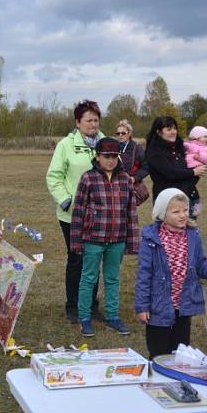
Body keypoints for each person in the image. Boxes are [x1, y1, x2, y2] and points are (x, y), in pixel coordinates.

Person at [134, 189, 207, 359]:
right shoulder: (151, 239)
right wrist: (142, 306)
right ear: (162, 214)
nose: (182, 215)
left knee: (180, 351)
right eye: (176, 211)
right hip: (158, 305)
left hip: (184, 305)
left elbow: (201, 264)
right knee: (158, 352)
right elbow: (144, 274)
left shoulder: (193, 235)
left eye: (185, 210)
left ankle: (177, 382)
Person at [70, 137, 140, 337]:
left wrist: (132, 241)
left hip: (117, 239)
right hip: (93, 239)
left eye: (114, 156)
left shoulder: (125, 179)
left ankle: (112, 316)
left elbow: (131, 212)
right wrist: (76, 241)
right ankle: (84, 317)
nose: (110, 160)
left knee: (112, 278)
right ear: (97, 157)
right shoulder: (88, 178)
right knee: (88, 278)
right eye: (106, 156)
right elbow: (78, 211)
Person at [46, 100, 104, 323]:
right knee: (77, 259)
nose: (93, 124)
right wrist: (66, 201)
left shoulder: (105, 143)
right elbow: (54, 176)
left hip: (100, 214)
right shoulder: (65, 145)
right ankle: (73, 306)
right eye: (88, 120)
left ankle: (91, 306)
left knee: (95, 258)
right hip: (72, 215)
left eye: (96, 120)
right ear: (77, 122)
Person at [145, 116, 207, 207]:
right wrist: (193, 172)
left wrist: (199, 164)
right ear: (158, 132)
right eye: (169, 129)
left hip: (189, 196)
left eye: (174, 128)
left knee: (191, 221)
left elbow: (190, 170)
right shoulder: (154, 152)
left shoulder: (180, 148)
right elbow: (170, 173)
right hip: (167, 201)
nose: (173, 132)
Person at [115, 119, 150, 205]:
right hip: (113, 188)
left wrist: (135, 178)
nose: (120, 135)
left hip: (128, 189)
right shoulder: (113, 147)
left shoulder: (137, 148)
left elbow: (146, 167)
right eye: (118, 133)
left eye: (123, 133)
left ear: (129, 133)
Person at [183, 125, 207, 218]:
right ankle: (193, 205)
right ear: (196, 137)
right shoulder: (190, 145)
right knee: (188, 189)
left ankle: (195, 206)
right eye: (204, 136)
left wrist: (199, 157)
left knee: (190, 187)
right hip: (186, 169)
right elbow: (183, 146)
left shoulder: (205, 148)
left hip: (196, 170)